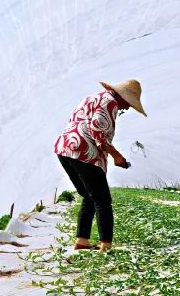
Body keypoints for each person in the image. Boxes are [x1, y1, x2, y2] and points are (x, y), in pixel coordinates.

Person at [54, 79, 146, 250]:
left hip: (66, 149)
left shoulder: (94, 98)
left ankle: (82, 241)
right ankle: (106, 244)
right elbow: (97, 127)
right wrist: (116, 155)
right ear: (123, 96)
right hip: (84, 153)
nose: (127, 108)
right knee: (102, 199)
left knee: (89, 196)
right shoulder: (110, 101)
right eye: (129, 103)